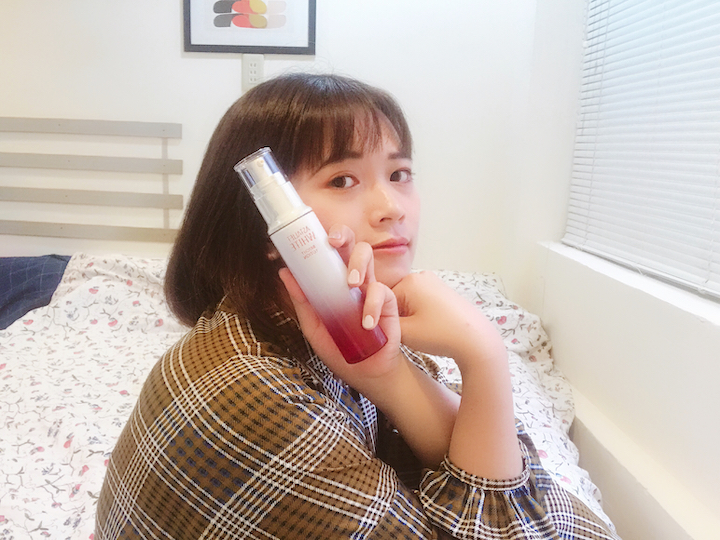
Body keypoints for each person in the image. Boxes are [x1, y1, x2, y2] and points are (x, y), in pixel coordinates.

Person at [95, 73, 619, 539]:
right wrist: (483, 354)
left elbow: (495, 480)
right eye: (342, 180)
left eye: (399, 174)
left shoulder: (335, 323)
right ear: (267, 226)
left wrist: (389, 375)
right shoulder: (256, 394)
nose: (392, 208)